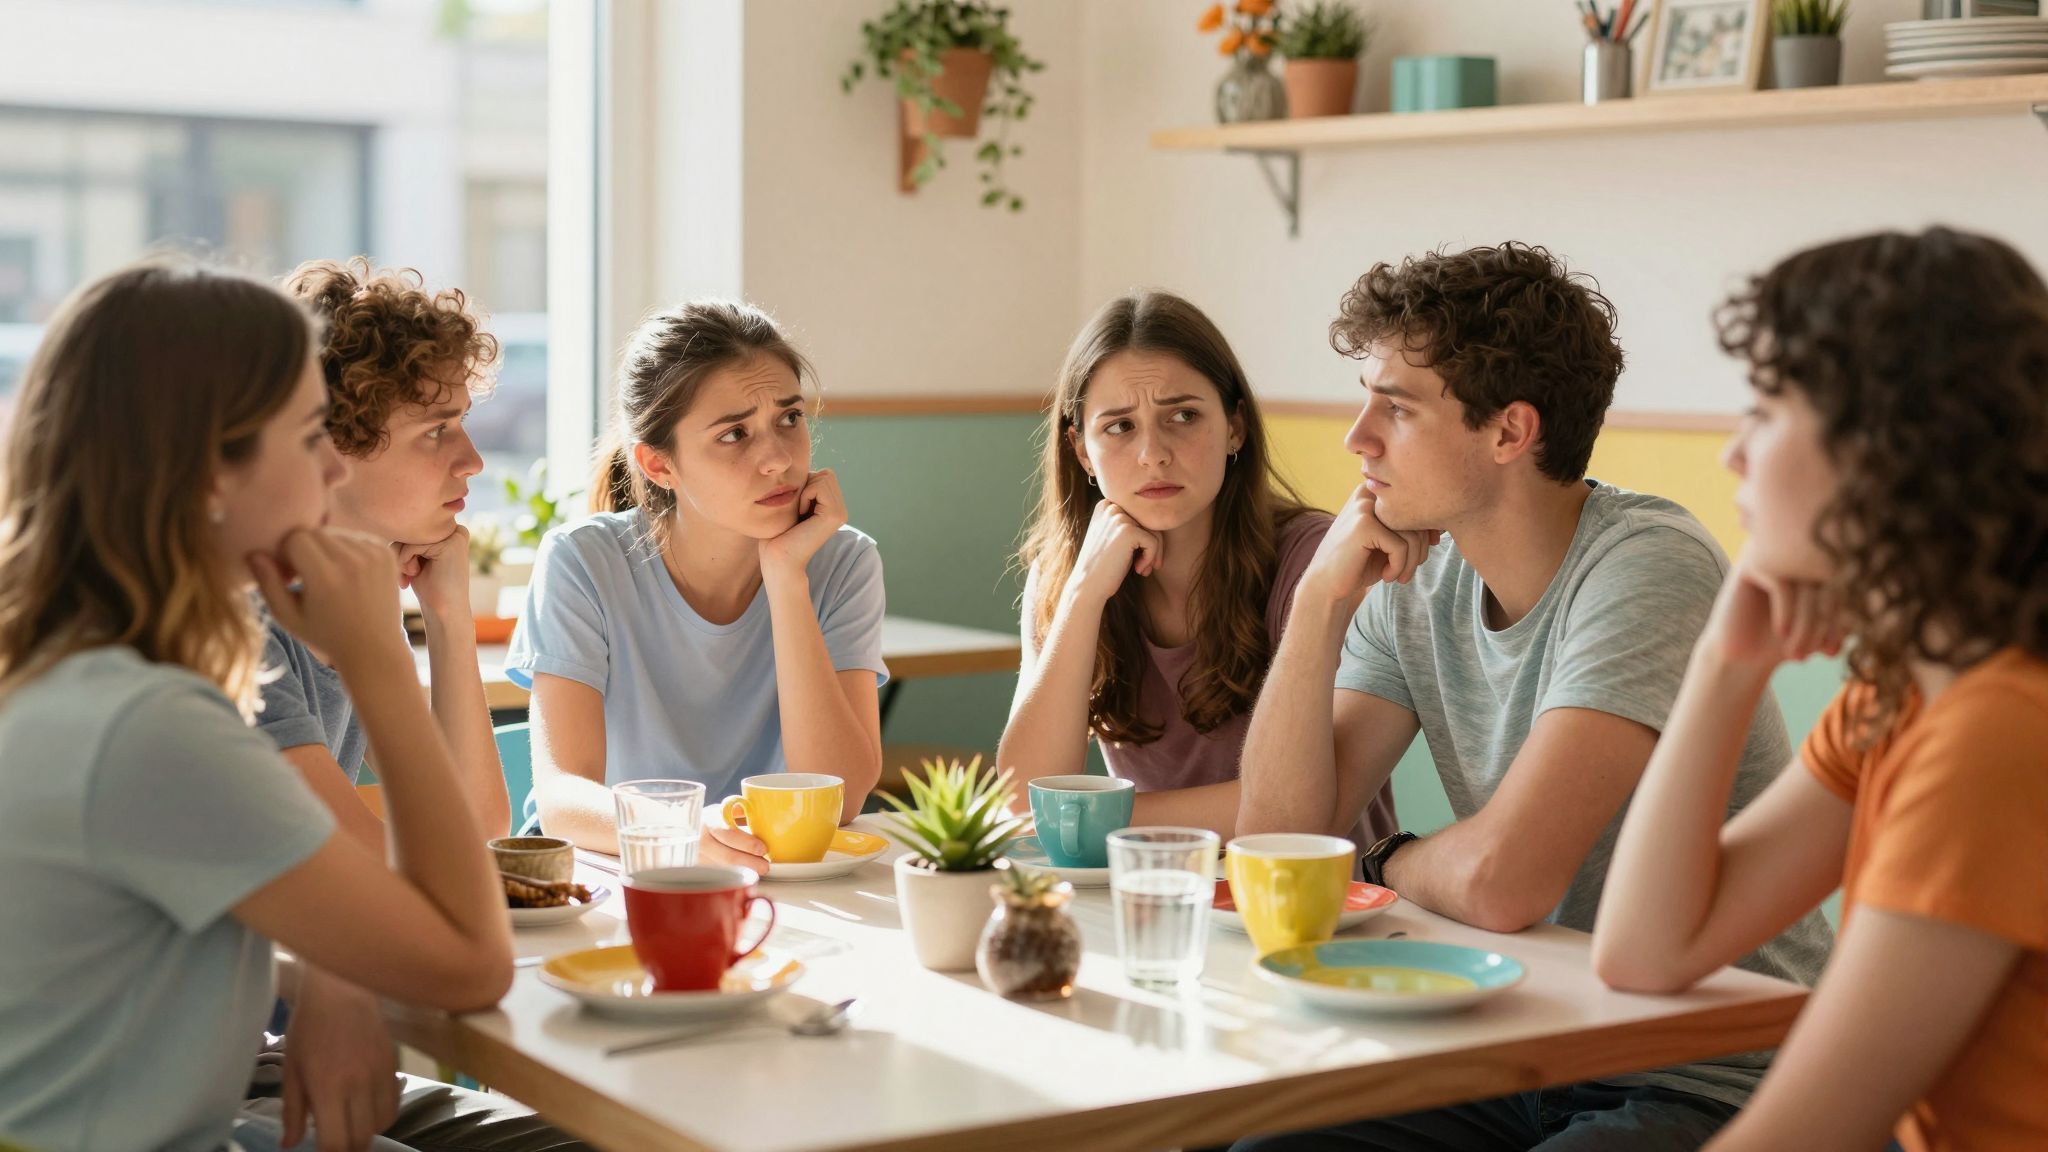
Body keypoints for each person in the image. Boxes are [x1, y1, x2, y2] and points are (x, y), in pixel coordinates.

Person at [1233, 243, 1831, 1150]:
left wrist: (1386, 858)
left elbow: (1502, 881)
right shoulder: (1414, 578)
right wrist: (1318, 603)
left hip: (1712, 1070)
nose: (1357, 438)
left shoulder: (1646, 566)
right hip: (1531, 1045)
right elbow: (1277, 841)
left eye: (1395, 408)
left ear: (1511, 432)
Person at [0, 258, 512, 1152]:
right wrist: (383, 663)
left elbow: (183, 939)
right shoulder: (148, 722)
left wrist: (329, 976)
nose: (329, 467)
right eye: (312, 432)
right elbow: (469, 966)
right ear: (207, 471)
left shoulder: (92, 660)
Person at [1593, 227, 2048, 1152]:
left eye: (1763, 410)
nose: (1731, 455)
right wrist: (1726, 663)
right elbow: (1645, 953)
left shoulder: (1995, 734)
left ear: (1887, 447)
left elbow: (1804, 1138)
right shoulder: (1899, 698)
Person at [1000, 290, 1395, 842]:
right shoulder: (1068, 575)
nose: (1153, 454)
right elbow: (1025, 796)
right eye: (1119, 427)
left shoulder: (1318, 560)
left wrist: (1084, 822)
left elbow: (1295, 811)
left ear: (1235, 426)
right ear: (1082, 450)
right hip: (1155, 898)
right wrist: (1084, 596)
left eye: (1183, 416)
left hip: (1316, 906)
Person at [508, 300, 887, 873]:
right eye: (734, 434)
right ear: (659, 465)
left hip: (773, 873)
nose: (778, 459)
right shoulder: (581, 561)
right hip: (619, 870)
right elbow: (563, 800)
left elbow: (842, 798)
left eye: (789, 418)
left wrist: (785, 575)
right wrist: (680, 830)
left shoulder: (843, 560)